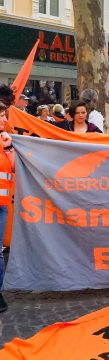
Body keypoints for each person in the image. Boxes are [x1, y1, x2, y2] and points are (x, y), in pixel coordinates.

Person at [0, 101, 15, 312]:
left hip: (1, 206)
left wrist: (9, 148)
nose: (5, 120)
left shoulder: (5, 140)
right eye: (2, 116)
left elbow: (14, 169)